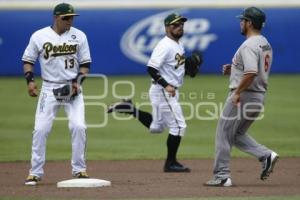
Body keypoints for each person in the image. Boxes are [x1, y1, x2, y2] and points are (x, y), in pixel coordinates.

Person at [108, 13, 202, 172]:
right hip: (164, 91)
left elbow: (174, 68)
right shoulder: (164, 45)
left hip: (164, 90)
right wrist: (166, 85)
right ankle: (170, 163)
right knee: (179, 126)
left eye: (181, 24)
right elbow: (151, 68)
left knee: (156, 127)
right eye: (175, 25)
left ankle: (129, 108)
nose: (179, 27)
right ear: (167, 28)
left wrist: (189, 69)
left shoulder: (178, 44)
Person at [205, 7, 278, 187]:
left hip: (244, 96)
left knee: (223, 132)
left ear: (249, 23)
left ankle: (222, 176)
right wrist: (235, 69)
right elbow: (255, 68)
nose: (241, 22)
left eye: (243, 20)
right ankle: (266, 155)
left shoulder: (248, 45)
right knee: (235, 134)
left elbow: (252, 72)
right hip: (258, 97)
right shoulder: (264, 43)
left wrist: (237, 92)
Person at [22, 3, 92, 186]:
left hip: (73, 88)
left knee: (78, 126)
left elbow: (85, 64)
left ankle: (79, 169)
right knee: (40, 130)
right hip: (49, 88)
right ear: (56, 17)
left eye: (72, 17)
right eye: (66, 18)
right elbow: (28, 61)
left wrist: (77, 83)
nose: (70, 21)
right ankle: (35, 172)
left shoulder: (79, 36)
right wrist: (30, 81)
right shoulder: (39, 36)